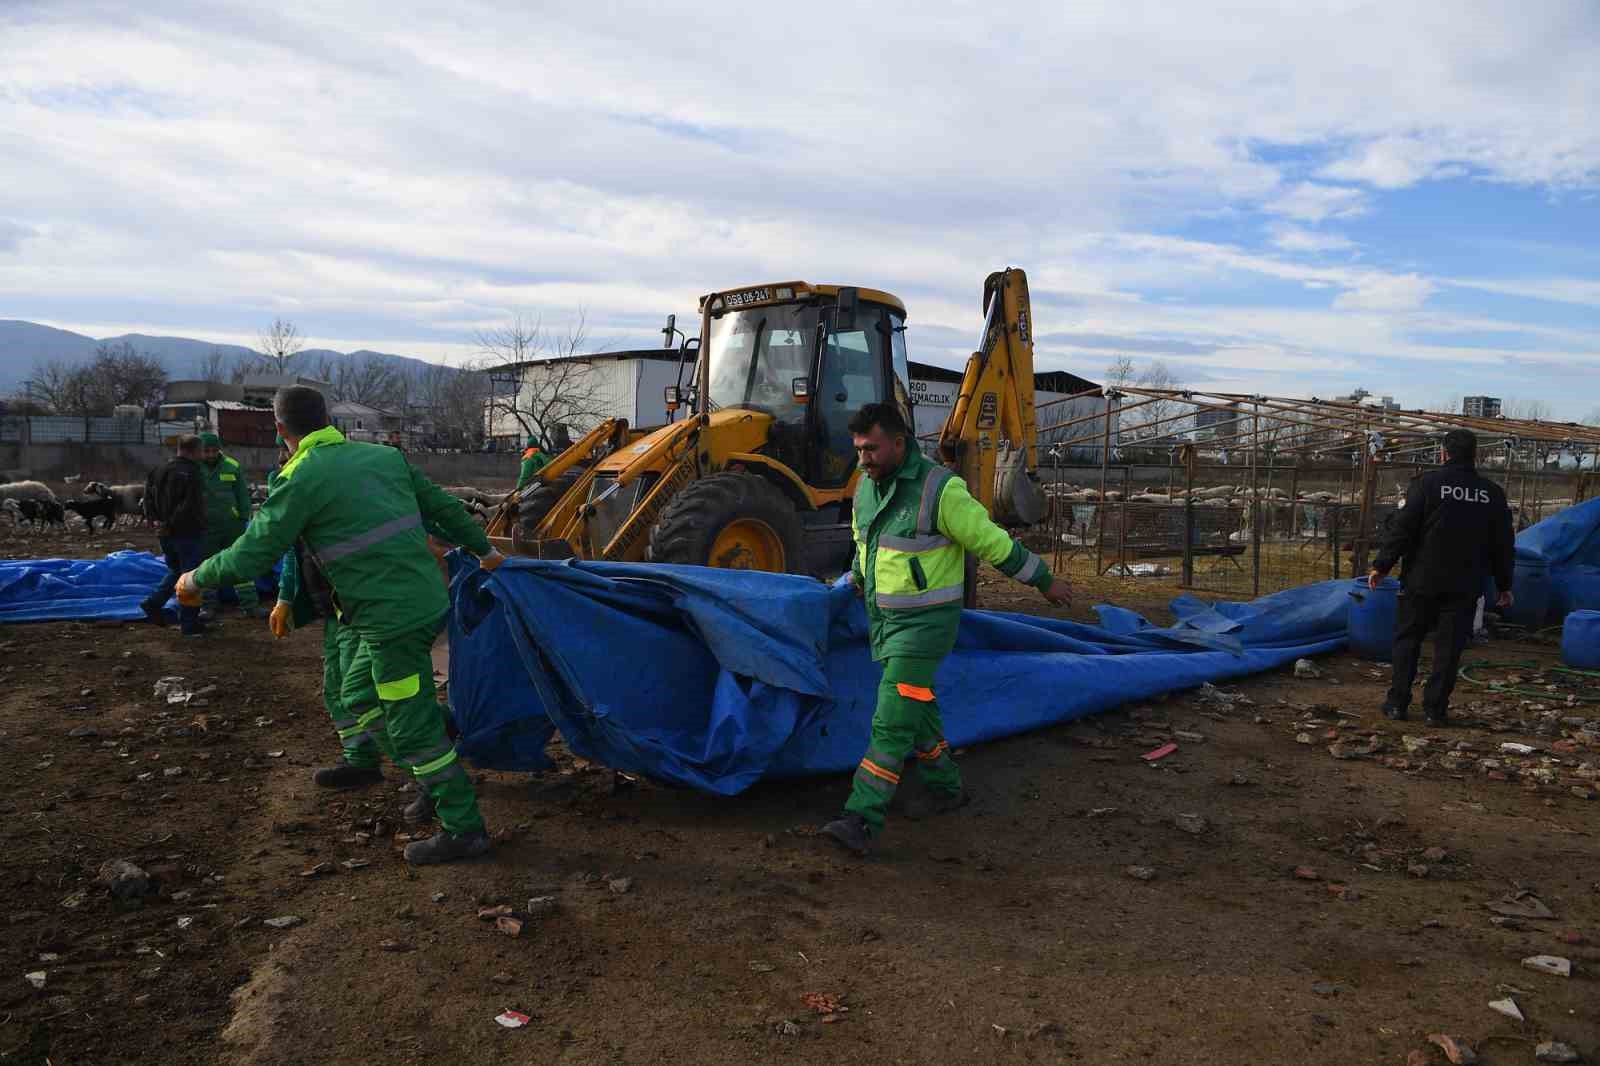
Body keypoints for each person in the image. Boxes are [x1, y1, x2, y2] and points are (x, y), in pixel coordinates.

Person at [178, 386, 508, 864]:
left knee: (409, 726)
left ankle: (463, 826)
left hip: (390, 619)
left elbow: (253, 552)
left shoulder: (300, 477)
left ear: (279, 430)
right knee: (358, 695)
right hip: (408, 605)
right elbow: (442, 507)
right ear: (330, 419)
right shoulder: (383, 458)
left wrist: (194, 578)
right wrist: (487, 551)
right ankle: (444, 739)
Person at [821, 403, 1071, 855]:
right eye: (858, 450)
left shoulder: (941, 490)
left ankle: (862, 816)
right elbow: (864, 544)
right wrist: (855, 578)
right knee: (917, 707)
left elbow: (990, 540)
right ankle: (946, 788)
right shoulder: (867, 489)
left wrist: (1044, 580)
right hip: (885, 622)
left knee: (892, 716)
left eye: (872, 449)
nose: (864, 459)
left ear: (899, 443)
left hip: (926, 626)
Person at [267, 436, 460, 829]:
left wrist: (466, 547)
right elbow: (292, 546)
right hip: (333, 603)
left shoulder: (359, 474)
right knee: (338, 689)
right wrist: (287, 596)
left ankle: (433, 773)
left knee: (379, 694)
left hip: (367, 603)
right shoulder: (292, 478)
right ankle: (363, 758)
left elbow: (425, 517)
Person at [1369, 429, 1514, 726]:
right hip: (1465, 583)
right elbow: (1503, 544)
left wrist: (1382, 566)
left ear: (1444, 453)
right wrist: (1504, 584)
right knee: (1449, 648)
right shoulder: (1492, 493)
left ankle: (1397, 704)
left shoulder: (1427, 485)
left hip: (1423, 579)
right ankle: (1436, 710)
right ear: (1475, 455)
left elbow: (1403, 530)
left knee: (1408, 638)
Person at [140, 435, 209, 636]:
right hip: (187, 532)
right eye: (202, 450)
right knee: (191, 577)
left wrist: (156, 522)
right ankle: (189, 623)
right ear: (194, 450)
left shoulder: (158, 470)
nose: (203, 454)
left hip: (164, 532)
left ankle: (153, 603)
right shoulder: (192, 472)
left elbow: (147, 499)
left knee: (176, 570)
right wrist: (171, 524)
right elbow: (189, 505)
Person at [196, 431, 263, 617]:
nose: (210, 455)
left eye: (214, 450)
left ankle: (250, 605)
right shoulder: (193, 468)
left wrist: (243, 518)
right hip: (205, 527)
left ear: (219, 449)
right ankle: (208, 605)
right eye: (206, 451)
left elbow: (242, 495)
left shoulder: (232, 466)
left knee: (239, 563)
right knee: (207, 565)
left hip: (232, 526)